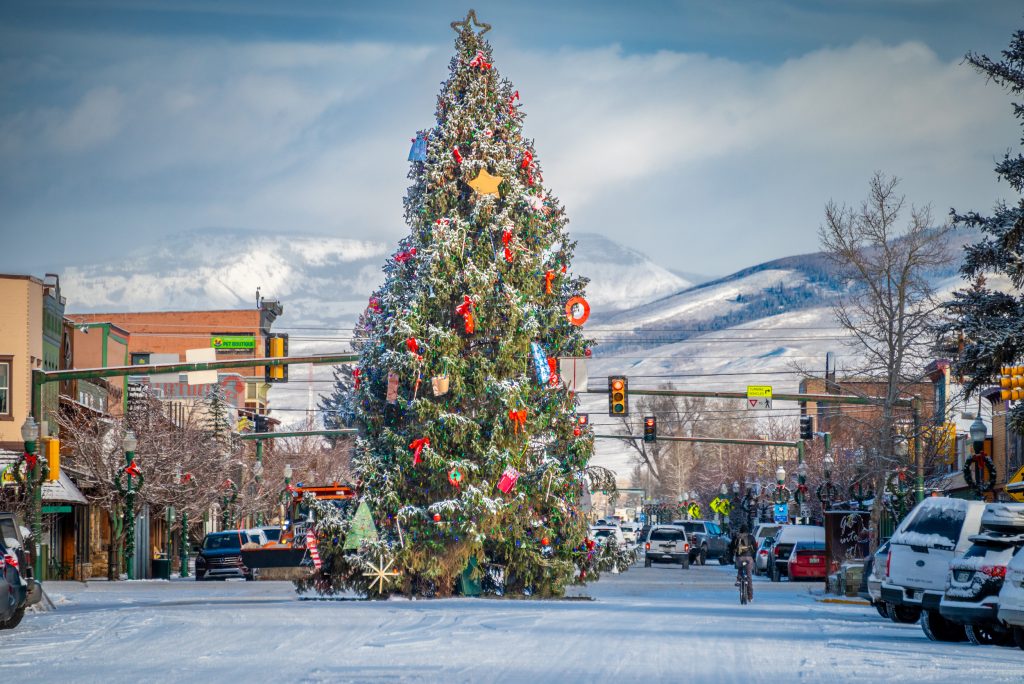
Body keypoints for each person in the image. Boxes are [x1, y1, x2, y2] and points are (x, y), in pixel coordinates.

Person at [732, 524, 757, 602]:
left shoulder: (737, 537)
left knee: (740, 568)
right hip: (749, 558)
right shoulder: (751, 537)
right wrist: (754, 557)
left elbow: (732, 546)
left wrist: (734, 555)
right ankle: (750, 597)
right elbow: (755, 548)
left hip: (739, 558)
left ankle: (739, 579)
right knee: (749, 576)